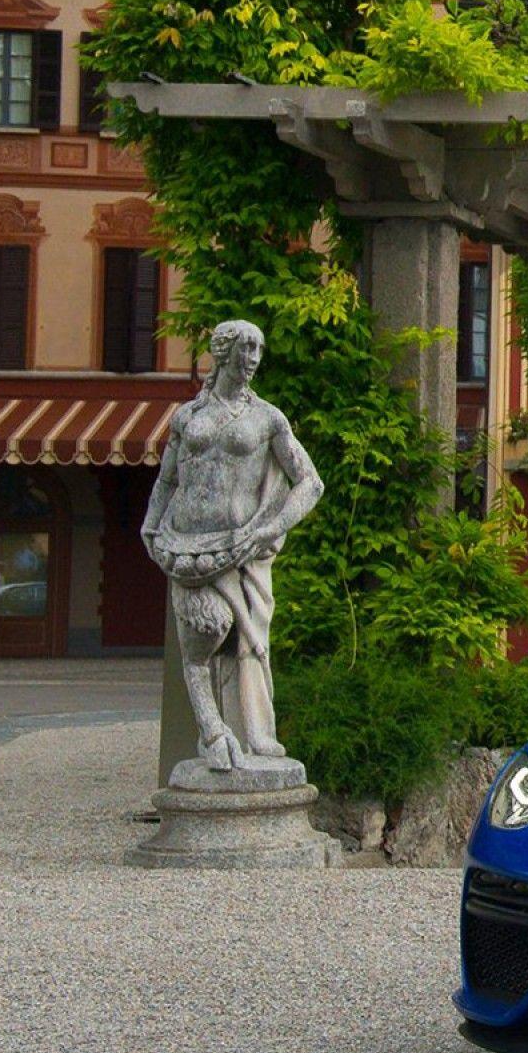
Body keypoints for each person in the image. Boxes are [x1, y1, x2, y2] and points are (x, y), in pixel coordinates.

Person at [141, 321, 324, 772]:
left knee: (247, 644)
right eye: (246, 347)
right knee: (204, 632)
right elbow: (167, 480)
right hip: (185, 545)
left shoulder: (268, 419)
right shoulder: (187, 417)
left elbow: (309, 482)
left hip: (241, 549)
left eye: (259, 348)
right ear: (223, 353)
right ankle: (212, 730)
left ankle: (252, 735)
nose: (254, 357)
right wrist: (150, 530)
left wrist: (269, 529)